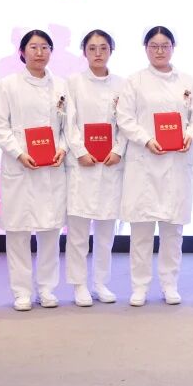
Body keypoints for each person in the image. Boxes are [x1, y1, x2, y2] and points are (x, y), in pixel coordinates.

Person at [117, 26, 193, 306]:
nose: (160, 51)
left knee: (172, 230)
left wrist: (190, 135)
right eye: (154, 45)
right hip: (145, 161)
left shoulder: (186, 81)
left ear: (173, 48)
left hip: (176, 162)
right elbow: (125, 119)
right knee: (141, 230)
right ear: (146, 48)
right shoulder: (134, 81)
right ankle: (139, 286)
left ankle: (169, 284)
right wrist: (146, 140)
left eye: (165, 45)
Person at [0, 29, 70, 311]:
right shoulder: (8, 85)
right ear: (22, 52)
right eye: (33, 47)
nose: (39, 53)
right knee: (18, 232)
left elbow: (68, 125)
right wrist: (18, 152)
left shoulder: (61, 85)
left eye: (45, 47)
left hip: (51, 167)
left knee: (50, 231)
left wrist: (63, 148)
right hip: (20, 165)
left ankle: (47, 289)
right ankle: (21, 291)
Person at [65, 29, 126, 307]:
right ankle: (79, 284)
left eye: (103, 48)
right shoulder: (73, 83)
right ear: (84, 52)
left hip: (111, 164)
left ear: (111, 51)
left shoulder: (122, 85)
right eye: (92, 48)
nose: (98, 53)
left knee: (105, 230)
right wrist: (80, 151)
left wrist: (118, 150)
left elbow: (126, 122)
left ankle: (101, 283)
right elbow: (68, 123)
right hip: (83, 164)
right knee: (78, 230)